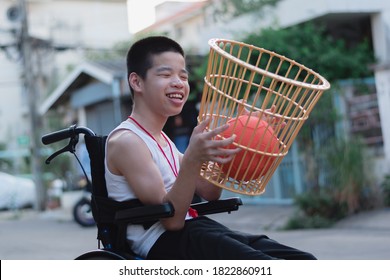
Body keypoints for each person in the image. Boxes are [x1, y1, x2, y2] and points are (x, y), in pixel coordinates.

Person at [105, 36, 316, 260]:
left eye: (183, 76)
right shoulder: (127, 141)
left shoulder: (162, 139)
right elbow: (172, 221)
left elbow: (209, 192)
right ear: (137, 82)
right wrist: (193, 159)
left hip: (196, 228)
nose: (178, 82)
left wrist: (240, 137)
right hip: (162, 242)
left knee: (304, 260)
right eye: (166, 75)